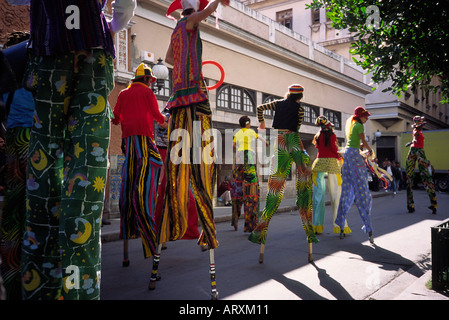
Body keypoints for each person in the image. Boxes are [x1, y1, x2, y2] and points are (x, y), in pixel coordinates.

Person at [9, 0, 136, 300]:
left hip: (49, 53)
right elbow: (126, 5)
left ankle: (40, 287)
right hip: (94, 51)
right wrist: (110, 27)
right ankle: (79, 290)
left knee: (42, 177)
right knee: (86, 182)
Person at [159, 0, 228, 251]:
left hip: (178, 98)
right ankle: (207, 232)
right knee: (203, 165)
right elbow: (208, 11)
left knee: (176, 167)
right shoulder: (190, 22)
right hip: (195, 97)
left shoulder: (176, 27)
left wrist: (181, 65)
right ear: (192, 12)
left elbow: (167, 57)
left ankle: (169, 228)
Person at [248, 84, 318, 247]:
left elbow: (259, 108)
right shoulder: (300, 109)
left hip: (279, 141)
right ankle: (309, 230)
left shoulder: (277, 103)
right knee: (305, 177)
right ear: (299, 96)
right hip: (292, 140)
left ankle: (259, 232)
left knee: (275, 186)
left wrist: (262, 124)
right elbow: (296, 130)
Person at [112, 63, 167, 260]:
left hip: (128, 144)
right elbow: (157, 115)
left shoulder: (123, 94)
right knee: (145, 192)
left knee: (128, 188)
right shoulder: (147, 93)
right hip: (144, 142)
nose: (151, 84)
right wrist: (165, 120)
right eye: (150, 80)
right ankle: (151, 247)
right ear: (146, 79)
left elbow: (116, 118)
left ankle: (127, 248)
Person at [0, 31, 35, 300]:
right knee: (34, 207)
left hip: (14, 143)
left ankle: (12, 278)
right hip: (35, 143)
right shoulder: (35, 79)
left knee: (14, 209)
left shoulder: (7, 86)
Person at [335, 106, 374, 244]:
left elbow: (357, 145)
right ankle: (368, 227)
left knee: (346, 192)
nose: (367, 118)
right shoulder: (358, 125)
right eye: (366, 116)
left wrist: (364, 152)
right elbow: (363, 142)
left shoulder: (354, 126)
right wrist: (371, 152)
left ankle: (341, 224)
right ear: (360, 116)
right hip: (354, 157)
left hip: (349, 156)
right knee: (363, 193)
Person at [311, 115, 351, 235]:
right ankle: (340, 226)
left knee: (318, 197)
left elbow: (319, 148)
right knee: (336, 195)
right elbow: (334, 149)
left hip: (319, 164)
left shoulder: (318, 136)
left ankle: (316, 226)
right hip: (332, 163)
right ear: (329, 126)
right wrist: (341, 154)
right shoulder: (332, 135)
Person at [231, 116, 267, 232]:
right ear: (247, 123)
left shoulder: (238, 133)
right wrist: (266, 142)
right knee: (251, 190)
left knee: (237, 187)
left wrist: (239, 150)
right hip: (248, 157)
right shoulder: (251, 131)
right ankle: (250, 224)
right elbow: (260, 138)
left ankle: (235, 219)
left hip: (239, 157)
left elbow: (233, 145)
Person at [405, 116, 437, 214]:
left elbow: (416, 135)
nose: (422, 126)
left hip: (416, 152)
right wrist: (414, 140)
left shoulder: (419, 131)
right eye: (421, 125)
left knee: (420, 177)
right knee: (416, 178)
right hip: (417, 151)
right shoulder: (416, 131)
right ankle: (412, 205)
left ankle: (432, 204)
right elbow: (415, 135)